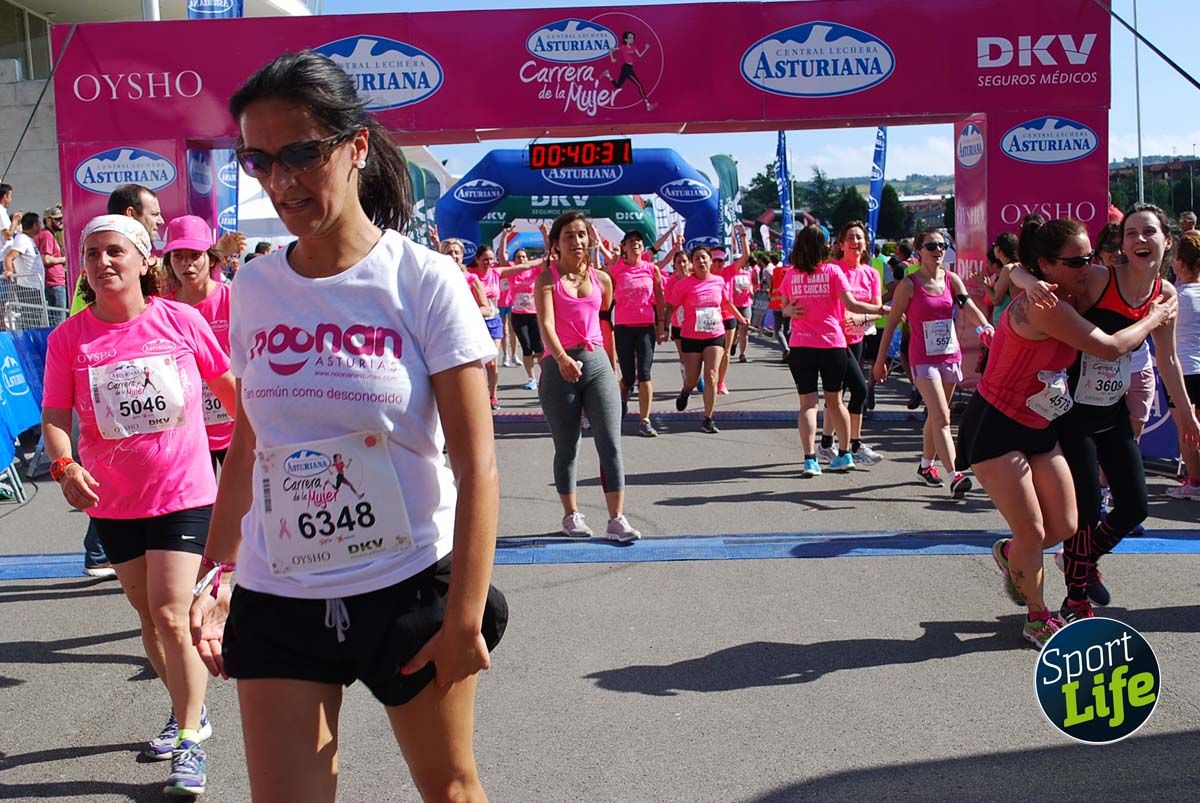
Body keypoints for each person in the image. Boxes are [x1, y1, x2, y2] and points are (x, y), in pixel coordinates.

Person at [188, 50, 509, 803]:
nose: (281, 181)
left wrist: (465, 617)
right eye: (259, 161)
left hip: (406, 584)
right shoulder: (256, 285)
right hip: (278, 589)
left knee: (451, 789)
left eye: (302, 154)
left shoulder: (423, 280)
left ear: (356, 146)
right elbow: (250, 443)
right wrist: (216, 572)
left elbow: (478, 466)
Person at [42, 214, 238, 795]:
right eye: (92, 254)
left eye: (115, 252)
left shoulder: (181, 320)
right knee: (148, 616)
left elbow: (229, 389)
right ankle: (189, 708)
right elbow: (55, 418)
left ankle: (189, 742)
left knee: (172, 611)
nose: (103, 262)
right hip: (113, 501)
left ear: (144, 260)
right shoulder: (68, 339)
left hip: (185, 492)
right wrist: (65, 465)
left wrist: (260, 451)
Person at [958, 218, 1176, 647]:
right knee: (1033, 530)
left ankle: (1011, 554)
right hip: (996, 425)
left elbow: (1014, 270)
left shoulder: (1065, 291)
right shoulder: (1046, 304)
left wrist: (1021, 274)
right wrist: (1154, 318)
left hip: (1040, 422)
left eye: (1089, 258)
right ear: (1047, 265)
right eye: (1076, 262)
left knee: (1067, 524)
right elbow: (1110, 347)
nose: (1087, 268)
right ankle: (1037, 616)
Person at [1012, 204, 1200, 621]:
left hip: (1112, 409)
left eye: (1149, 232)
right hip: (1072, 411)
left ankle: (1081, 561)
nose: (1140, 240)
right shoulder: (1099, 279)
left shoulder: (1165, 296)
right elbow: (1020, 273)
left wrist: (1187, 414)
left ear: (1167, 241)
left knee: (1135, 506)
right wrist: (1028, 281)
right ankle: (1075, 598)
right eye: (1131, 233)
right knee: (1087, 505)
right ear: (1123, 244)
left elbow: (1168, 359)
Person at [534, 210, 641, 541]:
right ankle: (571, 515)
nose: (577, 241)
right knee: (567, 446)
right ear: (556, 243)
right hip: (559, 367)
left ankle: (617, 519)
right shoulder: (547, 279)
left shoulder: (602, 279)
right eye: (569, 236)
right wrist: (562, 358)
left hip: (597, 365)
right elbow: (546, 324)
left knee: (610, 443)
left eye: (581, 234)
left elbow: (605, 323)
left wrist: (613, 365)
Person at [873, 229, 991, 498]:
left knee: (937, 416)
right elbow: (891, 323)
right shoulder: (909, 285)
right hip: (923, 360)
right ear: (919, 251)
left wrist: (985, 327)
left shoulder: (951, 279)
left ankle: (926, 466)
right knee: (942, 417)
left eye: (942, 245)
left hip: (949, 356)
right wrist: (880, 361)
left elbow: (967, 306)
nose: (938, 250)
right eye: (931, 246)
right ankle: (955, 474)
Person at [782, 225, 888, 477]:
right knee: (835, 401)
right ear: (824, 246)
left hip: (801, 345)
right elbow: (852, 304)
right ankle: (844, 454)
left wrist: (790, 311)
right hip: (832, 344)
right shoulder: (832, 272)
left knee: (808, 405)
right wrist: (880, 310)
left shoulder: (791, 275)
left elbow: (784, 308)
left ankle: (810, 459)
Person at [161, 215, 234, 469]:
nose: (186, 264)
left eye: (194, 255)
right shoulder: (163, 309)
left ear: (210, 259)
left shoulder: (233, 298)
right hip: (188, 432)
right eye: (178, 256)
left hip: (234, 428)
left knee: (245, 495)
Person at [663, 245, 749, 433]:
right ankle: (686, 390)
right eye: (696, 258)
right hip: (691, 336)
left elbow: (726, 302)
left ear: (710, 261)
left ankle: (708, 418)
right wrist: (665, 327)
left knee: (711, 375)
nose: (701, 261)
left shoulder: (718, 281)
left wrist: (741, 319)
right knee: (692, 380)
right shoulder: (684, 284)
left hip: (714, 335)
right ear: (692, 264)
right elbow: (671, 307)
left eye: (704, 258)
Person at [819, 220, 884, 466]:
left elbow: (878, 309)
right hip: (834, 340)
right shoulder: (833, 270)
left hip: (858, 339)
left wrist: (861, 318)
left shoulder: (871, 273)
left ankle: (827, 443)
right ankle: (854, 445)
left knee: (839, 392)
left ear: (865, 244)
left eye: (859, 238)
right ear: (841, 244)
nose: (855, 242)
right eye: (850, 238)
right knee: (857, 390)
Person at [605, 229, 664, 437]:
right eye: (631, 241)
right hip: (623, 328)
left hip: (646, 327)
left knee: (645, 374)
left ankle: (645, 420)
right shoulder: (616, 270)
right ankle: (622, 401)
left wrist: (661, 325)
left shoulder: (651, 269)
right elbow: (605, 295)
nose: (636, 243)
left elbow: (659, 297)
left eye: (638, 240)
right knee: (628, 377)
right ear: (624, 247)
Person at [1166, 230, 1200, 500]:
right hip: (1191, 369)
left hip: (1184, 372)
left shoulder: (1175, 297)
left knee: (1187, 432)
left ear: (1180, 262)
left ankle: (1195, 483)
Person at [724, 227, 758, 366]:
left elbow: (751, 284)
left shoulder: (747, 273)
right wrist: (734, 291)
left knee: (744, 328)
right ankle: (733, 343)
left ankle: (742, 354)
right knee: (735, 330)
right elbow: (727, 289)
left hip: (745, 304)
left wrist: (750, 289)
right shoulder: (730, 273)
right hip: (732, 305)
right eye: (737, 260)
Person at [601, 31, 655, 111]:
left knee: (618, 86)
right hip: (626, 68)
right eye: (630, 38)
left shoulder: (634, 47)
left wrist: (646, 49)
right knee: (639, 85)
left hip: (628, 68)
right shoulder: (623, 47)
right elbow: (611, 49)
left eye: (632, 38)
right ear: (626, 39)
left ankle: (608, 74)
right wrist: (612, 58)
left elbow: (640, 56)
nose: (632, 39)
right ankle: (648, 105)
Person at [37, 206, 68, 325]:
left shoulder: (50, 234)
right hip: (54, 283)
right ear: (48, 220)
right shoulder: (47, 235)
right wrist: (64, 259)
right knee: (59, 321)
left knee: (57, 320)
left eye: (61, 218)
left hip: (55, 283)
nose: (61, 221)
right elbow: (46, 259)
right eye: (57, 219)